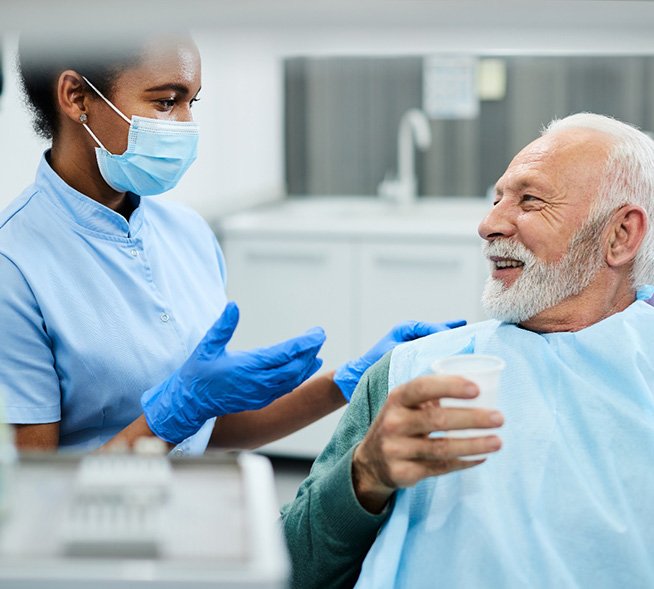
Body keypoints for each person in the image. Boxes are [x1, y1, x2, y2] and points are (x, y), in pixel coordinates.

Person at [0, 32, 463, 453]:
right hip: (90, 539)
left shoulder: (187, 234)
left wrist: (352, 380)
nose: (185, 124)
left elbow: (211, 427)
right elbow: (33, 498)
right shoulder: (14, 264)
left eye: (192, 102)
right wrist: (170, 414)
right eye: (165, 102)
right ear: (76, 96)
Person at [281, 112, 654, 588]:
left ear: (620, 235)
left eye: (530, 200)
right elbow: (290, 567)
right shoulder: (412, 379)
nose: (489, 224)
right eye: (496, 199)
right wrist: (362, 477)